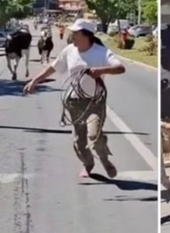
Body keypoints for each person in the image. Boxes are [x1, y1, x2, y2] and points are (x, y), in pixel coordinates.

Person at [23, 18, 125, 178]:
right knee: (79, 141)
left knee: (94, 135)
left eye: (75, 33)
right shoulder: (69, 51)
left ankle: (105, 160)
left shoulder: (101, 52)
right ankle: (88, 163)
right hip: (74, 102)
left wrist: (100, 70)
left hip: (95, 102)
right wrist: (35, 81)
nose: (72, 37)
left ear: (86, 35)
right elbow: (53, 68)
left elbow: (120, 68)